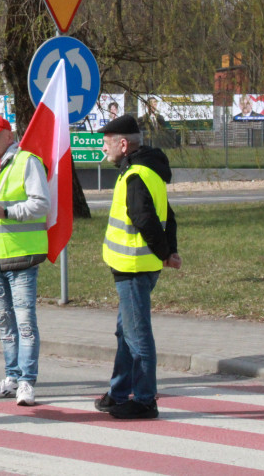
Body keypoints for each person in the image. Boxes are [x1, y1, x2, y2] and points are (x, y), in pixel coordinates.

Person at [94, 114, 181, 420]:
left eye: (106, 144)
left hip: (133, 266)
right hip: (138, 264)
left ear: (123, 143)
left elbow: (145, 219)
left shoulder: (134, 175)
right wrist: (169, 251)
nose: (103, 150)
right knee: (125, 332)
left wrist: (163, 252)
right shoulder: (146, 169)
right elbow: (168, 214)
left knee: (137, 334)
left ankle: (144, 399)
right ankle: (118, 392)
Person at [0, 114, 50, 407]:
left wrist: (7, 211)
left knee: (25, 321)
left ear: (9, 136)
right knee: (4, 323)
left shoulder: (26, 162)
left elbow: (41, 203)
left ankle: (27, 381)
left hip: (21, 257)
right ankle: (12, 376)